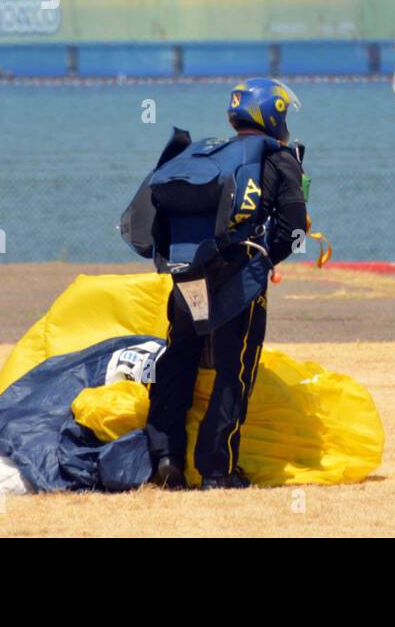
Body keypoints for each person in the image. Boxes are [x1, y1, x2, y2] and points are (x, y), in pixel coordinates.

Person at [121, 77, 308, 489]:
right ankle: (217, 470)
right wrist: (266, 259)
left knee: (179, 359)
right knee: (233, 371)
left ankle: (166, 456)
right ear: (273, 114)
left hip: (186, 274)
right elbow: (294, 228)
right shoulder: (278, 158)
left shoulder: (207, 151)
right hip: (237, 280)